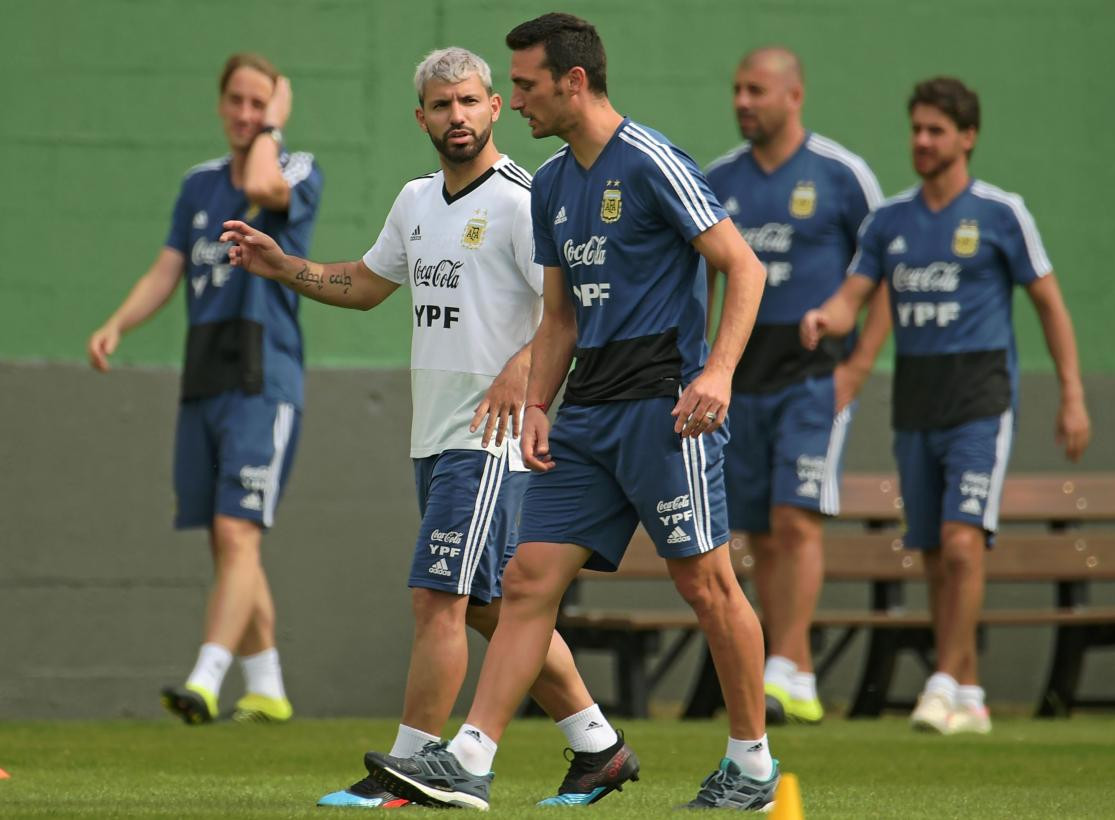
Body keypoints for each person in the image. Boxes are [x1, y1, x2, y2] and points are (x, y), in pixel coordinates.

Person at [371, 14, 779, 811]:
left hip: (667, 408)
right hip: (587, 414)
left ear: (574, 82)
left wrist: (720, 374)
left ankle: (753, 765)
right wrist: (536, 406)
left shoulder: (651, 160)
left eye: (522, 85)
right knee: (524, 581)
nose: (511, 100)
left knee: (706, 586)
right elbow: (557, 318)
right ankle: (472, 760)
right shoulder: (553, 183)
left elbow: (743, 267)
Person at [220, 47, 636, 809]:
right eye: (442, 106)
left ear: (493, 107)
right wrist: (286, 267)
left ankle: (405, 773)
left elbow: (569, 309)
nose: (458, 117)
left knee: (436, 597)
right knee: (487, 607)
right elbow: (368, 284)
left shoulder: (525, 197)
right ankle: (597, 746)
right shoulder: (415, 201)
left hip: (492, 439)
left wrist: (522, 367)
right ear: (423, 116)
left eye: (472, 101)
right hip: (434, 434)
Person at [801, 76, 1091, 735]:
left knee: (964, 543)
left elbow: (1049, 302)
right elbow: (856, 297)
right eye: (917, 129)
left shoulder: (1000, 213)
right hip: (916, 401)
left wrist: (1072, 394)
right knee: (933, 550)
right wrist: (826, 317)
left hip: (980, 400)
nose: (923, 142)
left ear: (967, 137)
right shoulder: (890, 222)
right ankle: (969, 689)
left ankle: (940, 680)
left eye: (937, 131)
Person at [87, 53, 322, 725]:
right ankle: (269, 687)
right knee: (226, 540)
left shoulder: (295, 166)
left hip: (263, 374)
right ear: (221, 105)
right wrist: (117, 324)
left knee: (238, 528)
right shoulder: (196, 186)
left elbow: (261, 182)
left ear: (275, 109)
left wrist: (274, 127)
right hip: (205, 373)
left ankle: (206, 677)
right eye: (238, 103)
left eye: (261, 104)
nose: (247, 115)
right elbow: (166, 270)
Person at [705, 47, 889, 726]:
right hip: (740, 382)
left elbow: (884, 273)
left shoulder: (843, 175)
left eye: (755, 89)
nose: (743, 102)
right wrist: (704, 367)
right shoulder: (719, 178)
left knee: (795, 516)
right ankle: (795, 674)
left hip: (814, 377)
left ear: (793, 95)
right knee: (755, 528)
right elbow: (707, 280)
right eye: (736, 89)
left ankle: (783, 662)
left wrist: (856, 369)